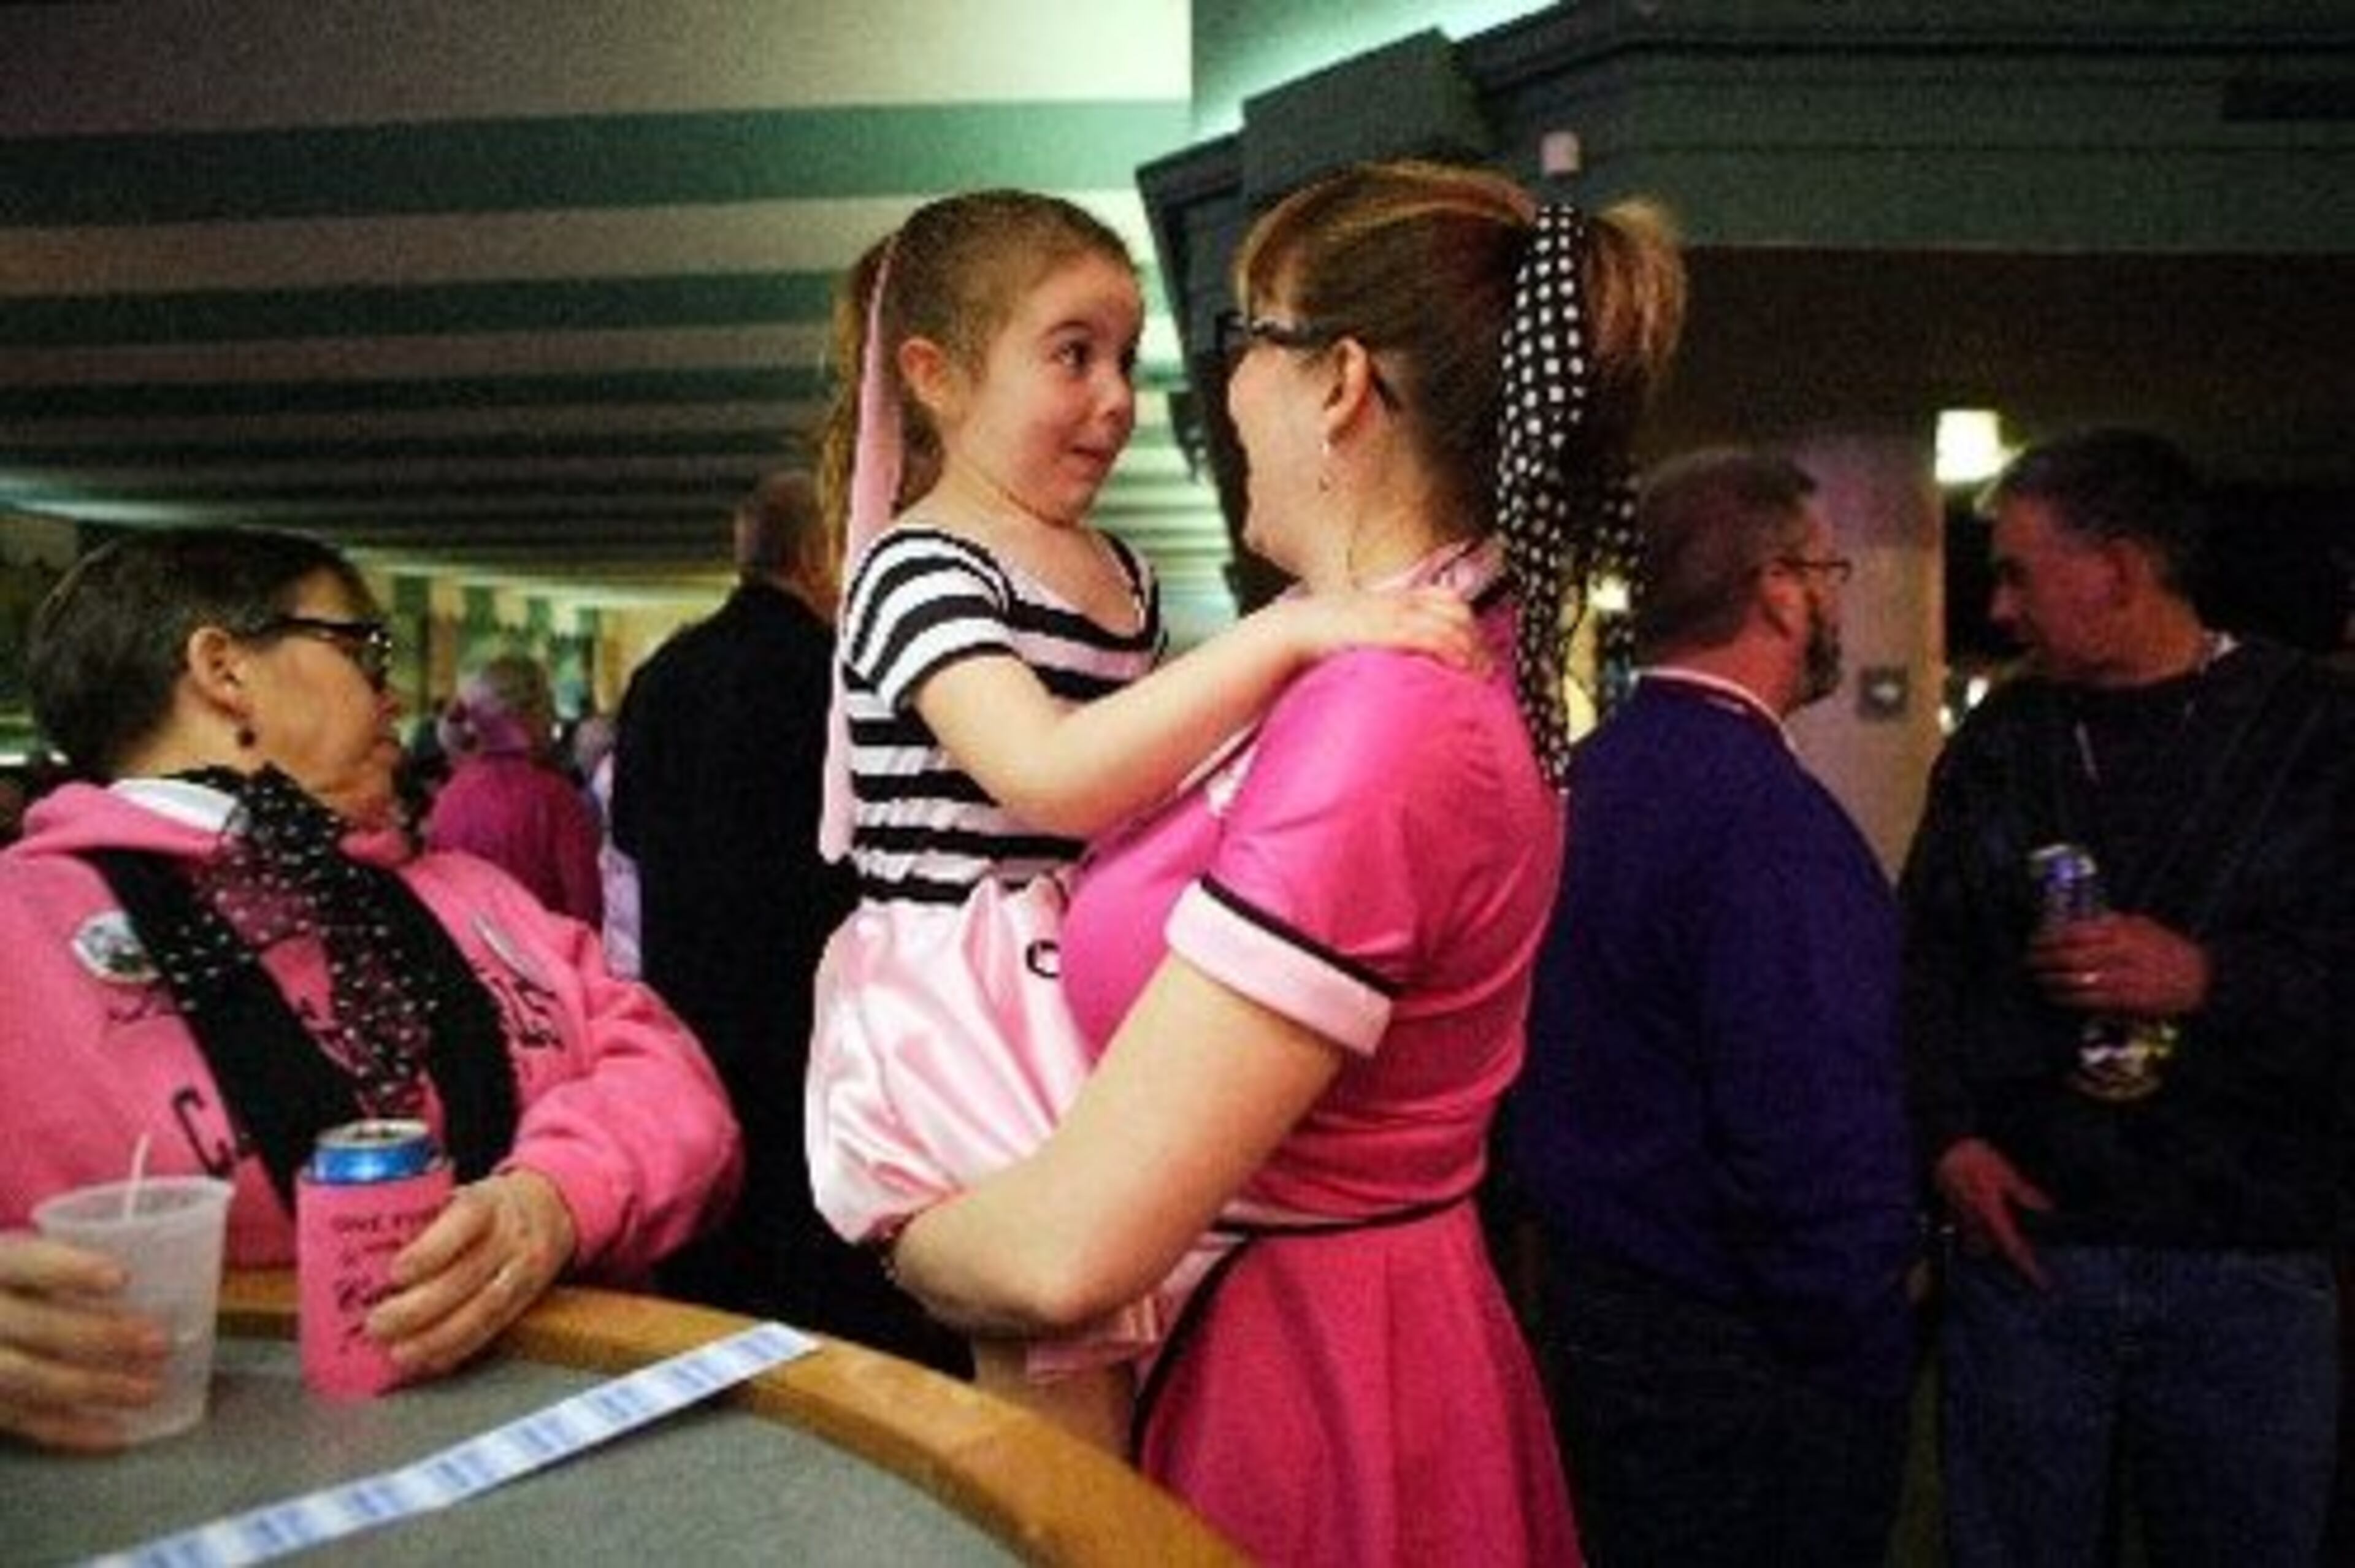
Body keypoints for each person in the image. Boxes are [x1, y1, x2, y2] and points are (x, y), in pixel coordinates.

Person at [881, 159, 1685, 1565]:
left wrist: (886, 1207)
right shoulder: (1383, 661)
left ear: (1336, 383)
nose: (1208, 394)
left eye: (1241, 339)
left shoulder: (1385, 717)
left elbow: (1064, 1250)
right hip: (1325, 1327)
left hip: (1293, 1381)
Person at [803, 187, 1488, 1447]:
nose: (1116, 397)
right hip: (955, 982)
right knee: (1061, 1375)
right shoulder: (916, 565)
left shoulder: (1119, 570)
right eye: (1072, 355)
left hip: (1047, 955)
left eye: (1125, 357)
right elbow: (1051, 776)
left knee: (1120, 1339)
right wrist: (1288, 634)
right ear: (935, 378)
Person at [0, 526, 741, 1452]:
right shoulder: (19, 934)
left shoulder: (463, 893)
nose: (391, 693)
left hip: (560, 1458)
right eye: (361, 649)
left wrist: (551, 1198)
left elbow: (674, 1080)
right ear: (226, 670)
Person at [1902, 428, 2355, 1566]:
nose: (1999, 607)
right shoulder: (2006, 740)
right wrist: (1949, 1135)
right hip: (2031, 1252)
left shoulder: (2312, 731)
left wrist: (2211, 978)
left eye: (2017, 569)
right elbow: (1926, 959)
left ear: (2116, 567)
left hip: (2245, 1253)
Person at [1504, 448, 1918, 1566]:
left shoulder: (1573, 787)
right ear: (1779, 586)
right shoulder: (1769, 823)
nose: (1833, 596)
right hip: (1747, 1356)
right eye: (1827, 568)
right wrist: (1868, 1332)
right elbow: (1810, 1125)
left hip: (1591, 1319)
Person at [607, 472, 954, 1367]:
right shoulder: (837, 680)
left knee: (720, 1262)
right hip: (812, 1019)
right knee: (820, 1273)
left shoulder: (662, 673)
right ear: (816, 558)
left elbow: (630, 834)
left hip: (691, 1007)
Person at [424, 653, 605, 925]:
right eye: (549, 704)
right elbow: (586, 908)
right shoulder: (555, 797)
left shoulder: (450, 796)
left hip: (466, 957)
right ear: (528, 715)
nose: (555, 717)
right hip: (542, 959)